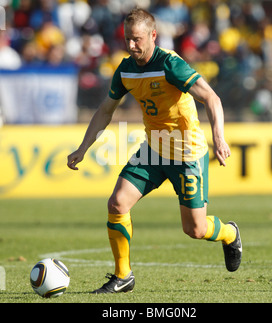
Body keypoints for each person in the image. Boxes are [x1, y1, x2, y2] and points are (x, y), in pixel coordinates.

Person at [67, 8, 242, 294]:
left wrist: (219, 139)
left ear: (153, 36)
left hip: (187, 154)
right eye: (127, 39)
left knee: (195, 230)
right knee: (117, 203)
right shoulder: (124, 69)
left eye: (137, 39)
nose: (131, 45)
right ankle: (123, 276)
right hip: (154, 149)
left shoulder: (170, 64)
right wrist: (83, 147)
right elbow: (105, 110)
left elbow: (212, 97)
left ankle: (230, 233)